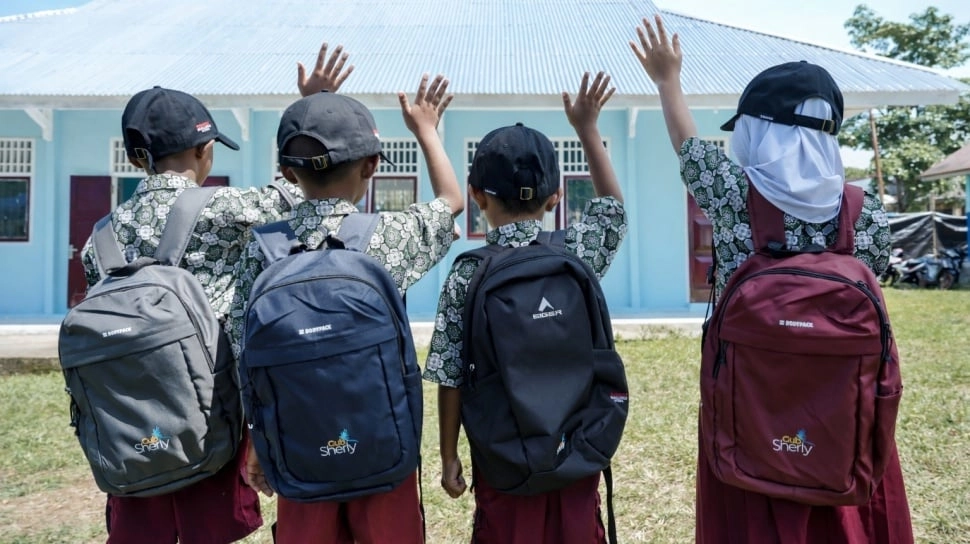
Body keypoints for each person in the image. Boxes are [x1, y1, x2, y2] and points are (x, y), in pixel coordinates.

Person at [629, 14, 912, 544]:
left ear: (758, 130)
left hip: (751, 422)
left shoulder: (734, 195)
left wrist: (667, 80)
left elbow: (689, 147)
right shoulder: (864, 210)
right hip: (842, 429)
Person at [79, 41, 353, 544]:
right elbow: (305, 191)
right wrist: (314, 110)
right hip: (209, 423)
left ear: (138, 158)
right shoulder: (224, 210)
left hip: (131, 429)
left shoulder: (99, 240)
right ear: (204, 150)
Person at [224, 73, 464, 544]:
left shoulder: (261, 247)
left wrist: (257, 442)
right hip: (382, 443)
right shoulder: (389, 237)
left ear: (289, 174)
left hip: (296, 446)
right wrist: (427, 130)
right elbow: (452, 202)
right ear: (372, 166)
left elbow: (243, 353)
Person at [423, 71, 628, 544]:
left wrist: (449, 454)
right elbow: (612, 208)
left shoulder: (467, 272)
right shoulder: (578, 252)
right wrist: (587, 130)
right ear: (556, 196)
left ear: (475, 195)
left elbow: (451, 374)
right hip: (578, 446)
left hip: (502, 456)